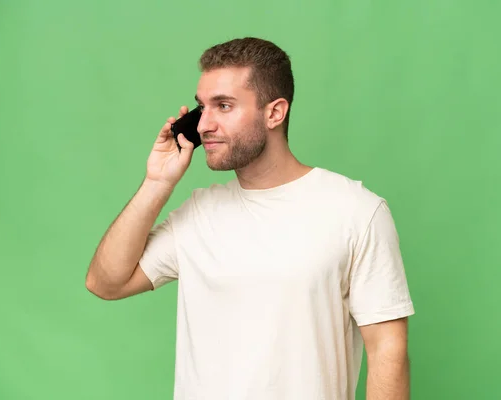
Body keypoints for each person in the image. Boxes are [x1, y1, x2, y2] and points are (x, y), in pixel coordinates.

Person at [86, 37, 415, 400]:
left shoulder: (356, 210)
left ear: (275, 112)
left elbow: (388, 349)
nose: (204, 125)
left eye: (223, 106)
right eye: (202, 107)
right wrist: (157, 182)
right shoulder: (199, 213)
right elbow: (106, 283)